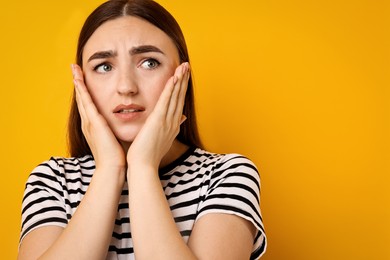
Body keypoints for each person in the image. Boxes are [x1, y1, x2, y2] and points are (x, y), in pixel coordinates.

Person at [18, 0, 267, 259]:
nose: (126, 87)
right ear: (82, 83)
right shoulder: (53, 181)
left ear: (182, 75)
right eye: (104, 66)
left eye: (149, 62)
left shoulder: (227, 174)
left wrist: (142, 167)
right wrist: (110, 169)